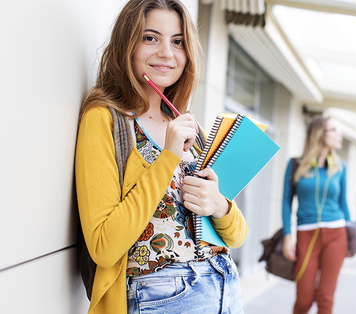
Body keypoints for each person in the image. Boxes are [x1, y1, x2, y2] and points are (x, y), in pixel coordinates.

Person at [75, 1, 247, 313]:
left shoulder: (186, 124)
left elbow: (236, 236)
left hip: (224, 285)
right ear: (128, 45)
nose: (167, 52)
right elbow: (104, 246)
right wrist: (167, 158)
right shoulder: (106, 119)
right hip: (162, 295)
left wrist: (219, 205)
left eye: (177, 41)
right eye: (150, 38)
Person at [281, 115, 351, 314]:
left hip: (337, 233)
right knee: (304, 299)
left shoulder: (340, 167)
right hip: (306, 234)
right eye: (334, 130)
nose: (340, 135)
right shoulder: (295, 164)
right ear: (320, 133)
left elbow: (343, 202)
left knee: (325, 299)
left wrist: (352, 236)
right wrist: (288, 236)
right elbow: (286, 202)